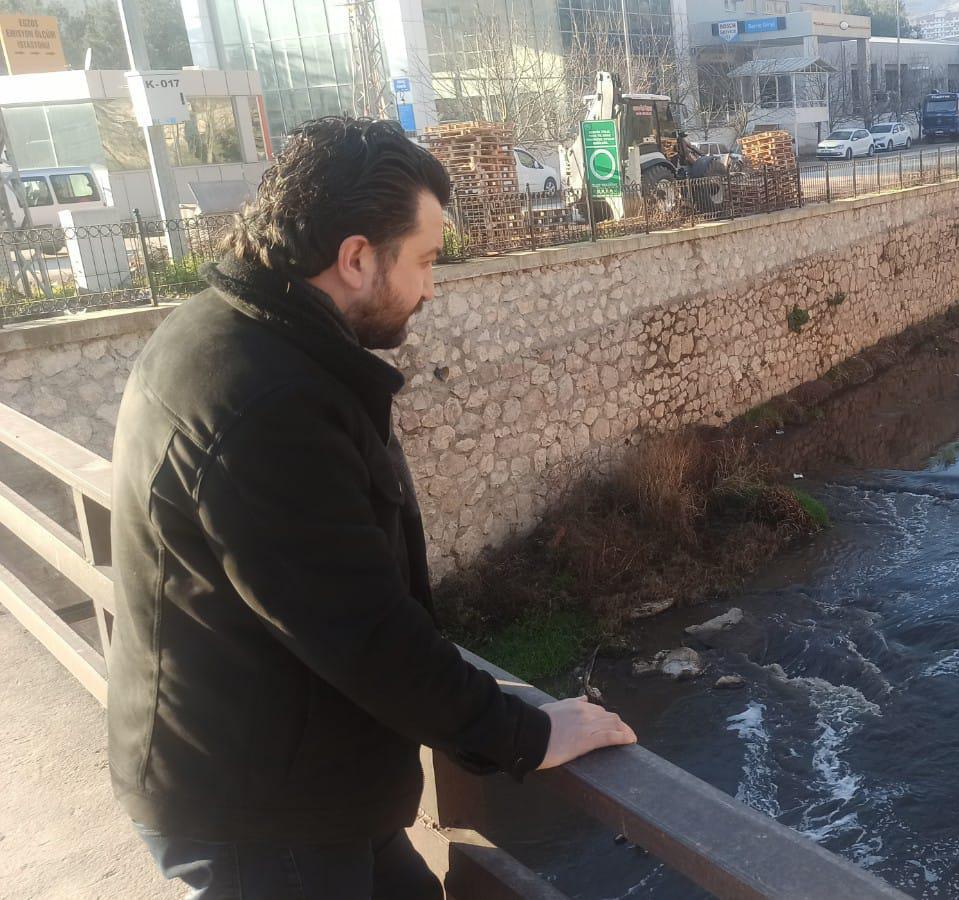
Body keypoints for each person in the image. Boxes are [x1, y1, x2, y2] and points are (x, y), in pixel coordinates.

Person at [106, 116, 637, 898]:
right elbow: (362, 632)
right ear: (356, 257)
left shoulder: (232, 337)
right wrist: (526, 733)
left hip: (295, 781)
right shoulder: (267, 403)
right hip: (263, 817)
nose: (430, 285)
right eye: (424, 259)